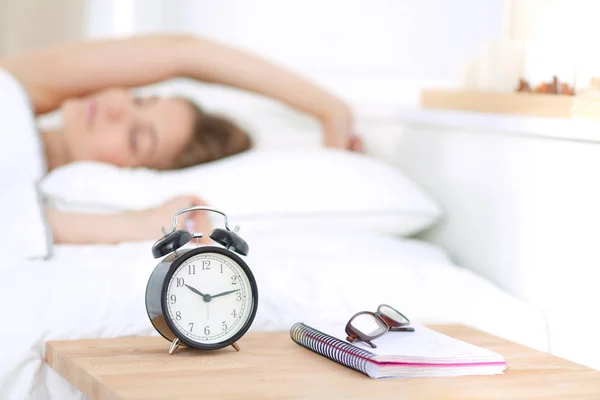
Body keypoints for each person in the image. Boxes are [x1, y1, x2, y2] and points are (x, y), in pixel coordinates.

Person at [0, 34, 362, 259]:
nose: (116, 107)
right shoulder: (24, 87)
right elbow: (184, 53)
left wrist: (140, 224)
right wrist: (331, 111)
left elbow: (20, 227)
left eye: (138, 137)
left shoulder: (29, 213)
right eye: (140, 99)